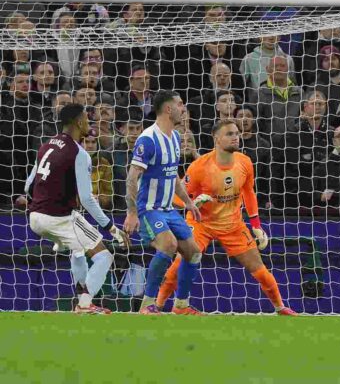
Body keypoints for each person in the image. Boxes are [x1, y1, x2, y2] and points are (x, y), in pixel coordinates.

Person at [155, 120, 296, 315]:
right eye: (229, 134)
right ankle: (158, 306)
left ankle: (281, 307)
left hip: (233, 225)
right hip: (201, 223)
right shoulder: (199, 167)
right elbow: (174, 197)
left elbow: (249, 192)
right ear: (216, 139)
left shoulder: (244, 161)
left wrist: (256, 225)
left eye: (236, 133)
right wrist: (193, 204)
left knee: (259, 269)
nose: (235, 137)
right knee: (181, 262)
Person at [24, 103, 129, 314]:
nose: (89, 123)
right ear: (79, 122)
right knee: (103, 256)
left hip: (35, 217)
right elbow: (87, 199)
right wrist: (111, 228)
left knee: (79, 251)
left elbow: (28, 187)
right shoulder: (79, 153)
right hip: (59, 218)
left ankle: (64, 247)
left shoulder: (46, 146)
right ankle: (84, 304)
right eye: (87, 119)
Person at [123, 91, 205, 315]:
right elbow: (132, 178)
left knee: (193, 253)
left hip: (170, 210)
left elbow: (173, 176)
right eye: (180, 104)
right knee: (168, 245)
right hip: (149, 209)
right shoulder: (148, 139)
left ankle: (181, 305)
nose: (183, 109)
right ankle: (147, 304)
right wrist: (132, 213)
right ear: (168, 109)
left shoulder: (176, 138)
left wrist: (188, 202)